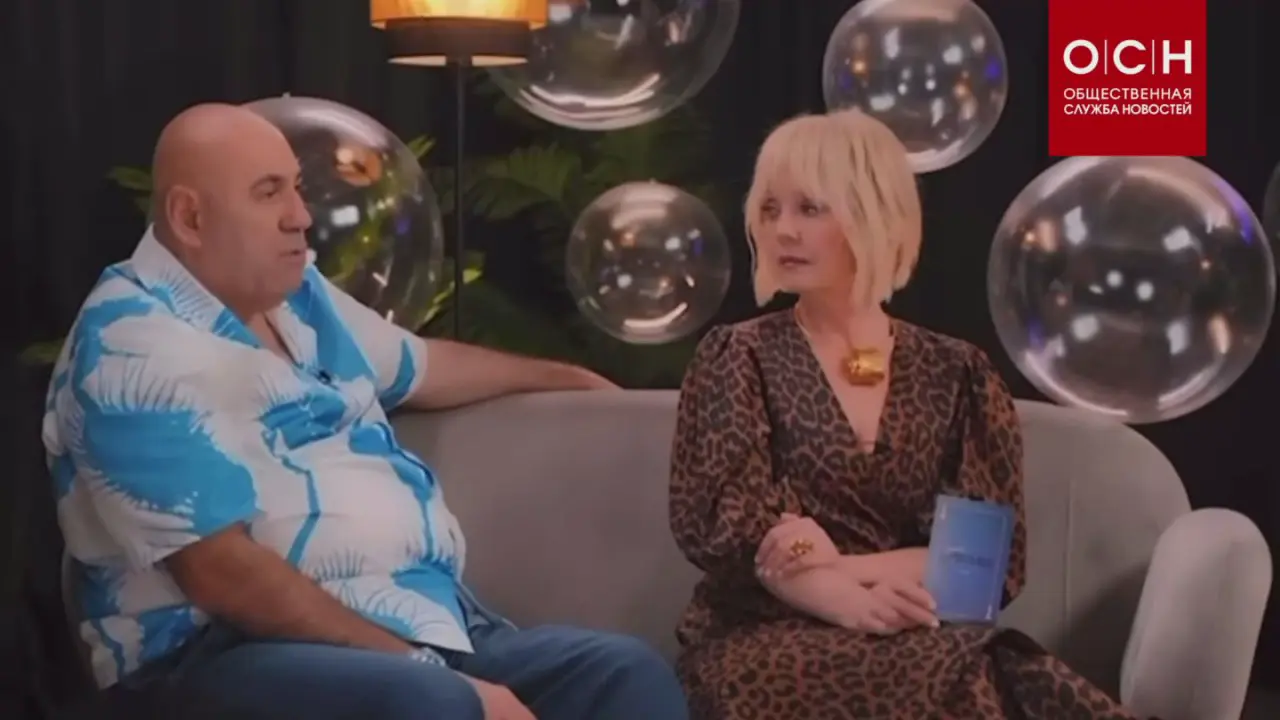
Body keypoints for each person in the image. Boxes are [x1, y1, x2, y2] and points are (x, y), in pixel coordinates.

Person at [44, 102, 689, 720]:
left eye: (297, 189)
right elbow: (224, 577)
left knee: (620, 674)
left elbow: (426, 366)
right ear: (190, 218)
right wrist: (422, 668)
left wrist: (569, 378)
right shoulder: (129, 346)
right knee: (433, 704)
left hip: (412, 625)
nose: (301, 217)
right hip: (217, 652)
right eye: (269, 193)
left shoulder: (297, 297)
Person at [668, 109, 1153, 719]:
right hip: (761, 635)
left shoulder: (958, 372)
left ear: (876, 214)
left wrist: (845, 571)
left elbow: (978, 562)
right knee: (959, 677)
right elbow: (731, 532)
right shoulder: (737, 356)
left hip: (910, 622)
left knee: (981, 671)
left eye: (810, 208)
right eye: (769, 209)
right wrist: (836, 598)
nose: (783, 230)